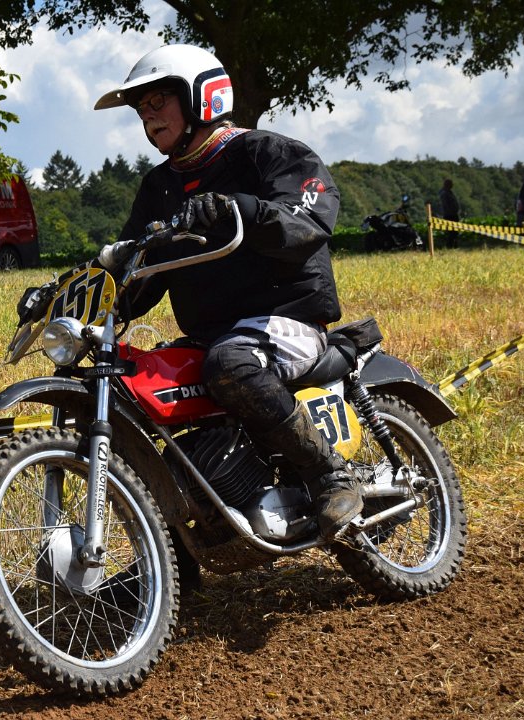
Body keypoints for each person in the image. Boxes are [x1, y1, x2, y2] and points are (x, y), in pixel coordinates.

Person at [94, 45, 362, 551]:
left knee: (230, 363)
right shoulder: (159, 186)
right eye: (141, 108)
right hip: (212, 333)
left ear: (201, 97)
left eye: (157, 101)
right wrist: (76, 295)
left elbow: (310, 218)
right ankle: (173, 558)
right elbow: (136, 267)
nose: (148, 116)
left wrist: (239, 209)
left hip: (286, 318)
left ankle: (330, 475)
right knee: (141, 385)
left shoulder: (267, 152)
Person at [439, 178, 460, 248]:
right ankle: (450, 246)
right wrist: (451, 212)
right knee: (451, 232)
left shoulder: (449, 192)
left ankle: (454, 245)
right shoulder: (444, 193)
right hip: (450, 216)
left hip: (453, 215)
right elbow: (445, 205)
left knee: (455, 232)